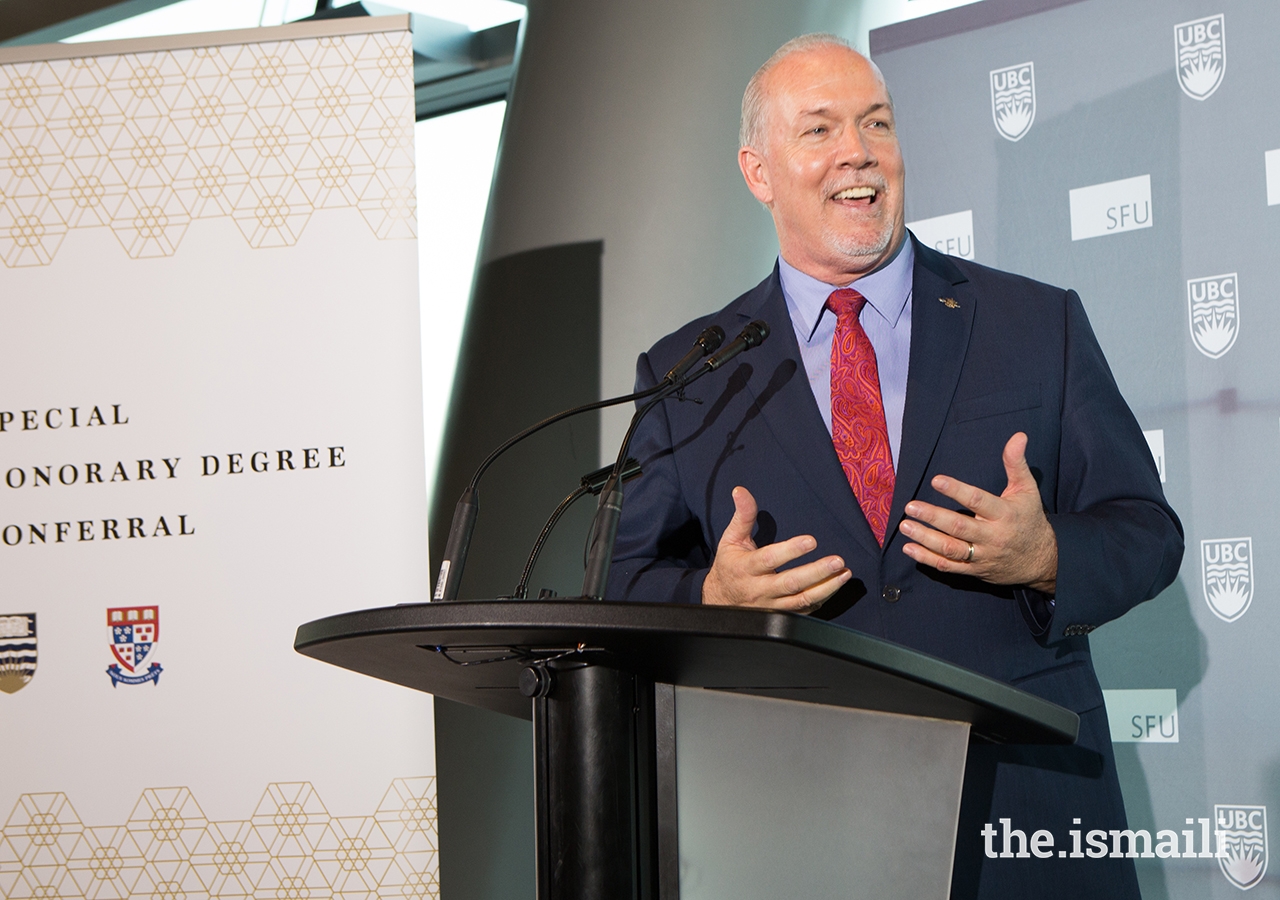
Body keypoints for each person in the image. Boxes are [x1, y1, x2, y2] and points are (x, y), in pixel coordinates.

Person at [606, 33, 1183, 899]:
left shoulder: (1036, 325)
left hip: (1028, 817)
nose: (859, 152)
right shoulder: (693, 371)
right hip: (798, 826)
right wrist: (708, 599)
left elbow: (1148, 533)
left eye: (876, 122)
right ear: (759, 172)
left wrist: (1048, 556)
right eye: (820, 130)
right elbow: (619, 583)